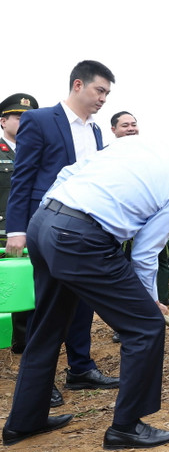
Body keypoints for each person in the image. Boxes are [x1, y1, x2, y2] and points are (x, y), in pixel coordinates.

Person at [2, 118, 169, 449]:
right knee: (145, 327)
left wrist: (53, 217)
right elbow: (145, 252)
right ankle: (126, 427)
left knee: (47, 327)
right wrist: (149, 302)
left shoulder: (137, 144)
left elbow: (68, 173)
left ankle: (24, 421)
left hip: (45, 223)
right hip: (81, 237)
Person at [6, 60, 119, 407]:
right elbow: (23, 177)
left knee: (82, 300)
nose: (103, 99)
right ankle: (40, 381)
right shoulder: (41, 120)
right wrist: (16, 229)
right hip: (48, 226)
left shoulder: (95, 131)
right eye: (99, 90)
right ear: (78, 85)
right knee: (47, 305)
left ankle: (80, 368)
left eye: (107, 94)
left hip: (85, 226)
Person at [0, 93, 39, 354]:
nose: (24, 122)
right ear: (3, 121)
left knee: (26, 286)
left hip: (31, 230)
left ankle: (23, 343)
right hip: (3, 230)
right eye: (18, 117)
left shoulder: (38, 152)